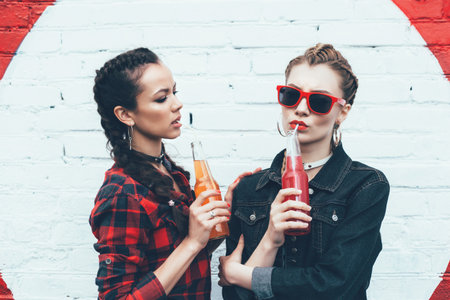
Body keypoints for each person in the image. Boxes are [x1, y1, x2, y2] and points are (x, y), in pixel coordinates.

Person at [219, 43, 390, 300]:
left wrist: (238, 275)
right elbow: (236, 298)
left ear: (342, 112)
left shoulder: (366, 186)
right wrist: (270, 238)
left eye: (319, 101)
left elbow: (334, 285)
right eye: (291, 95)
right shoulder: (248, 189)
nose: (300, 108)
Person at [89, 48, 251, 299]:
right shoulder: (122, 193)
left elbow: (184, 265)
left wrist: (215, 221)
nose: (177, 104)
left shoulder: (172, 174)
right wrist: (192, 242)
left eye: (174, 92)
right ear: (125, 114)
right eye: (162, 98)